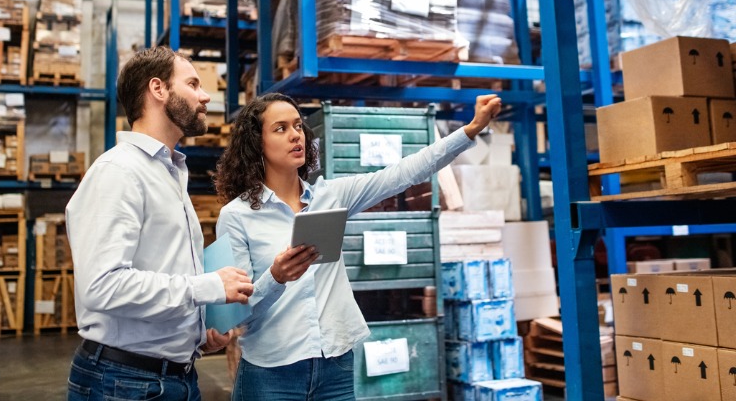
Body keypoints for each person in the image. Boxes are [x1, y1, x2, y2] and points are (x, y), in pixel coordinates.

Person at [215, 92, 501, 400]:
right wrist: (276, 277)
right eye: (280, 128)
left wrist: (470, 129)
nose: (295, 135)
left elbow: (404, 173)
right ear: (256, 144)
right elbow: (234, 315)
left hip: (335, 367)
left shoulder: (331, 197)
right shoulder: (236, 216)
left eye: (298, 126)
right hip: (270, 374)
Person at [66, 46, 254, 401]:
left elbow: (161, 269)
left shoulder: (169, 172)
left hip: (173, 377)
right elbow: (103, 286)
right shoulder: (119, 172)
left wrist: (199, 331)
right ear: (158, 89)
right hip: (123, 382)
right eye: (193, 84)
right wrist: (206, 287)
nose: (205, 95)